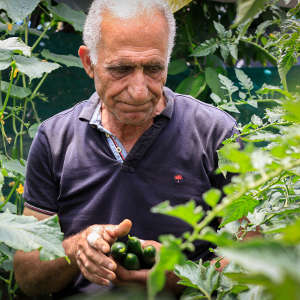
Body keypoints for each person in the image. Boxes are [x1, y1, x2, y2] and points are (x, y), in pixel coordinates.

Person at [13, 0, 239, 298]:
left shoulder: (216, 135)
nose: (138, 90)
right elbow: (28, 277)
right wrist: (77, 249)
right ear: (88, 62)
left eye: (154, 68)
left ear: (168, 62)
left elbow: (252, 264)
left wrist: (177, 274)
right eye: (121, 69)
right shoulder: (54, 139)